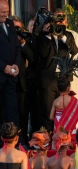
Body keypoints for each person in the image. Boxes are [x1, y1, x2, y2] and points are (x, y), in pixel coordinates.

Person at [35, 13, 78, 132]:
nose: (57, 25)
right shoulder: (42, 37)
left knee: (65, 109)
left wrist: (63, 37)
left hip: (63, 78)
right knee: (49, 110)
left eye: (60, 22)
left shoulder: (68, 35)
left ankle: (65, 136)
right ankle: (48, 138)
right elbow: (42, 54)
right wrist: (48, 35)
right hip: (48, 79)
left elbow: (74, 50)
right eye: (55, 23)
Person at [9, 15, 35, 147]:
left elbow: (32, 57)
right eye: (14, 28)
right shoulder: (6, 41)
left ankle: (23, 141)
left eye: (18, 28)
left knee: (24, 115)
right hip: (8, 83)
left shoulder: (26, 41)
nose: (16, 31)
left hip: (23, 85)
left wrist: (23, 42)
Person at [0, 0, 21, 143]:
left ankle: (14, 142)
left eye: (7, 11)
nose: (6, 14)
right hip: (1, 75)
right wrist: (3, 67)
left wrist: (16, 64)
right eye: (3, 12)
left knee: (12, 111)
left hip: (11, 77)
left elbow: (17, 47)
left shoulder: (9, 24)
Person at [49, 77, 78, 144]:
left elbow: (51, 117)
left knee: (58, 143)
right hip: (70, 126)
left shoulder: (55, 101)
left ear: (57, 89)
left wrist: (60, 121)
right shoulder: (72, 100)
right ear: (68, 88)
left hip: (58, 128)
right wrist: (67, 120)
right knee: (71, 144)